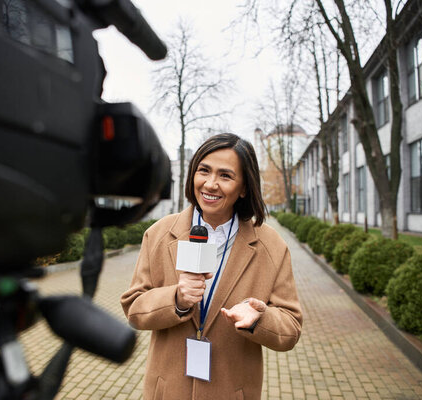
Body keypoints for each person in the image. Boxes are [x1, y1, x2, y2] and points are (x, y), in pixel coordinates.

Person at [121, 133, 302, 399]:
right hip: (167, 391)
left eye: (226, 176)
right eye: (203, 171)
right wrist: (177, 299)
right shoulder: (158, 234)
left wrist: (260, 319)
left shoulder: (270, 246)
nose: (211, 184)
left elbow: (290, 329)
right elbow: (134, 310)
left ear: (244, 188)